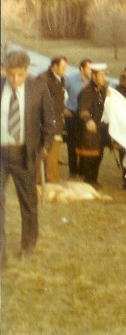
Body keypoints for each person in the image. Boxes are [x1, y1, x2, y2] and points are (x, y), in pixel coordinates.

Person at [1, 51, 55, 266]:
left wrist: (44, 149)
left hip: (24, 153)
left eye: (20, 75)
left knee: (28, 203)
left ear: (27, 71)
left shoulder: (38, 88)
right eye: (11, 75)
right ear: (5, 69)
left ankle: (28, 244)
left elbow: (49, 123)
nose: (15, 80)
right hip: (0, 154)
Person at [76, 63, 111, 188]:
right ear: (94, 76)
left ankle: (93, 179)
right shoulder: (87, 92)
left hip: (100, 129)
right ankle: (89, 181)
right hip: (89, 129)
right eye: (101, 76)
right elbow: (83, 109)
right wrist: (88, 120)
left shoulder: (102, 90)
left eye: (104, 76)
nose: (104, 79)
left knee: (99, 155)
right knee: (90, 155)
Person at [37, 56, 68, 183]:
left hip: (58, 120)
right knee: (45, 150)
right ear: (54, 66)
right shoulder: (43, 78)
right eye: (63, 67)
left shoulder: (60, 79)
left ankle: (51, 177)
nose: (65, 69)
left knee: (54, 151)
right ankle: (42, 179)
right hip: (47, 121)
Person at [64, 59, 92, 178]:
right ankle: (73, 170)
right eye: (89, 68)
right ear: (81, 68)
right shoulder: (70, 80)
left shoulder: (92, 82)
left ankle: (82, 170)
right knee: (72, 144)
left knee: (84, 143)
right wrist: (63, 108)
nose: (91, 71)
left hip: (85, 116)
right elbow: (57, 93)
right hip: (72, 115)